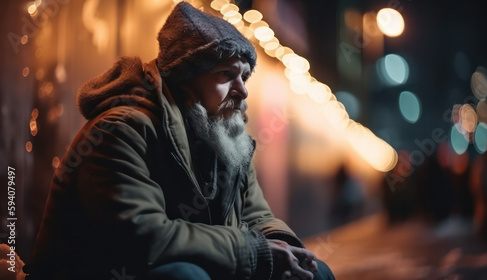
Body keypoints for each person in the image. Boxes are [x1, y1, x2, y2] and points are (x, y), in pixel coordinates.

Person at [26, 2, 335, 280]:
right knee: (184, 276)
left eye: (244, 77)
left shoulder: (226, 134)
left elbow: (256, 215)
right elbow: (144, 237)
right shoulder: (120, 129)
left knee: (315, 272)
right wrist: (254, 253)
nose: (242, 90)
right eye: (226, 75)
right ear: (187, 79)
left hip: (194, 265)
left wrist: (290, 252)